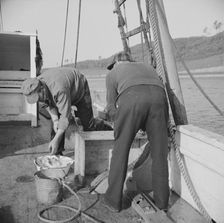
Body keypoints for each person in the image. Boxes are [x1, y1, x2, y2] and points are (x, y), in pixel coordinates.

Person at [103, 52, 169, 212]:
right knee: (159, 154)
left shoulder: (112, 74)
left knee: (120, 151)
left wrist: (122, 122)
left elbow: (111, 108)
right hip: (160, 100)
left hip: (132, 100)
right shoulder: (147, 67)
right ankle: (162, 204)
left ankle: (113, 202)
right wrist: (143, 122)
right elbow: (153, 94)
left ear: (116, 63)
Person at [21, 67, 112, 155]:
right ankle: (57, 153)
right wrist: (55, 120)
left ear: (42, 89)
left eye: (38, 97)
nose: (38, 100)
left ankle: (105, 127)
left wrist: (56, 137)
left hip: (79, 88)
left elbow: (65, 117)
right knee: (56, 126)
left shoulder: (59, 89)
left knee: (88, 125)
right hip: (63, 92)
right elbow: (47, 104)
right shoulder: (37, 86)